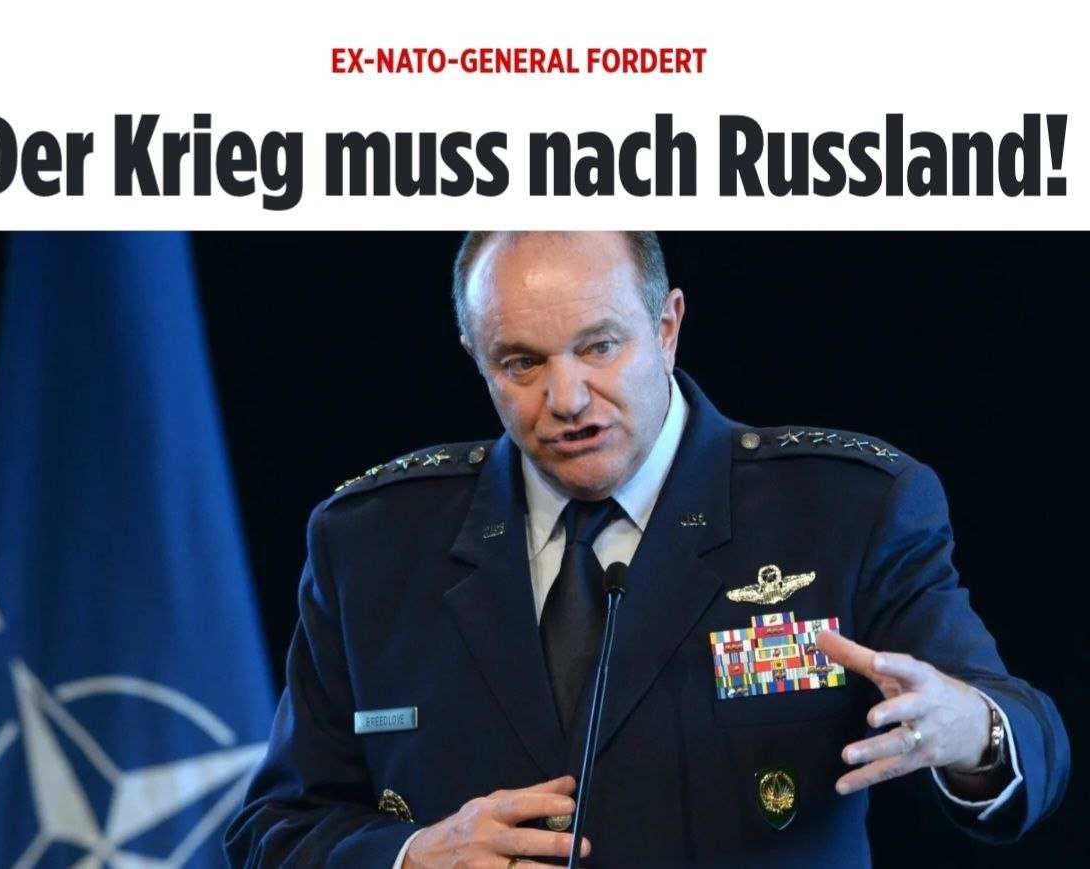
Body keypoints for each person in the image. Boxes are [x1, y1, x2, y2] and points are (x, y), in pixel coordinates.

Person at [225, 232, 1069, 867]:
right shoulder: (369, 543)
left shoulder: (846, 508)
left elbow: (1030, 733)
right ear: (476, 359)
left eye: (599, 346)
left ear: (667, 327)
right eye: (520, 362)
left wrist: (973, 729)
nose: (566, 397)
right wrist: (412, 856)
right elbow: (274, 827)